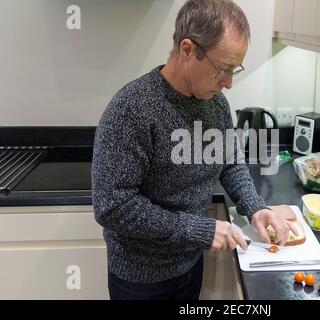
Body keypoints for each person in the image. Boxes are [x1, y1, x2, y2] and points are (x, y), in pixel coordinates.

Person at [91, 0, 297, 300]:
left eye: (234, 69)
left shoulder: (215, 103)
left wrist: (255, 207)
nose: (228, 83)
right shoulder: (132, 109)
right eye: (222, 69)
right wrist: (200, 229)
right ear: (188, 49)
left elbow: (230, 162)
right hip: (141, 280)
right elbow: (113, 205)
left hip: (191, 265)